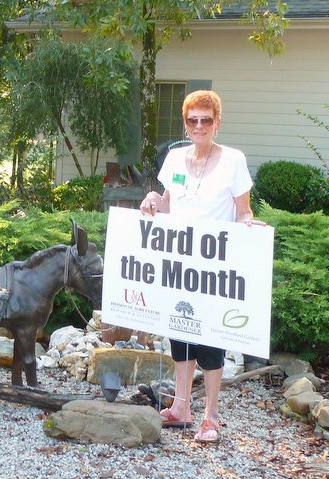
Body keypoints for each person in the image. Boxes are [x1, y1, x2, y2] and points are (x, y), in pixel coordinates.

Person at [140, 90, 266, 444]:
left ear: (217, 123)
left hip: (214, 269)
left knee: (210, 341)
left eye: (205, 120)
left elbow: (243, 210)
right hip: (180, 265)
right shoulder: (175, 159)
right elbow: (167, 205)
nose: (198, 126)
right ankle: (181, 407)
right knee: (179, 334)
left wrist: (249, 227)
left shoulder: (233, 160)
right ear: (186, 123)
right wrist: (152, 200)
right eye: (192, 120)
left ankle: (211, 417)